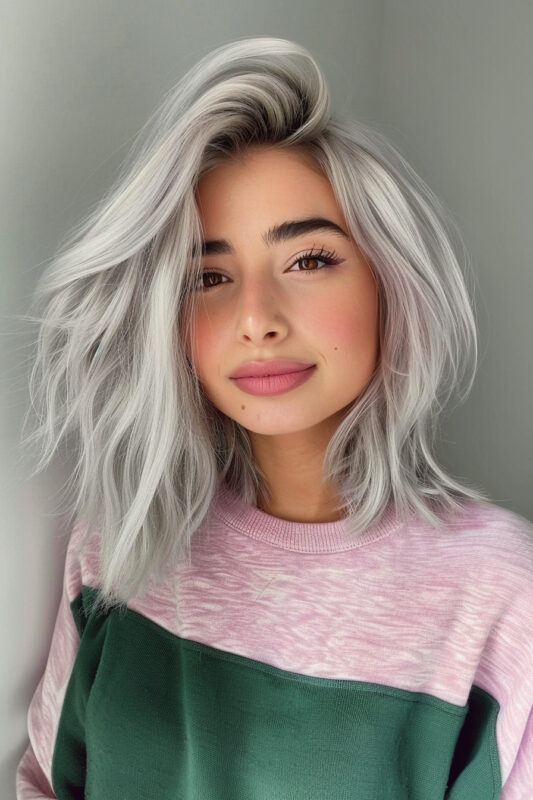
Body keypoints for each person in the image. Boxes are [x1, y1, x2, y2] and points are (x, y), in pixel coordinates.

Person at [16, 36, 533, 799]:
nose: (255, 317)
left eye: (308, 260)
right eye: (210, 275)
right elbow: (47, 781)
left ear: (389, 280)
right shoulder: (118, 540)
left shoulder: (499, 594)